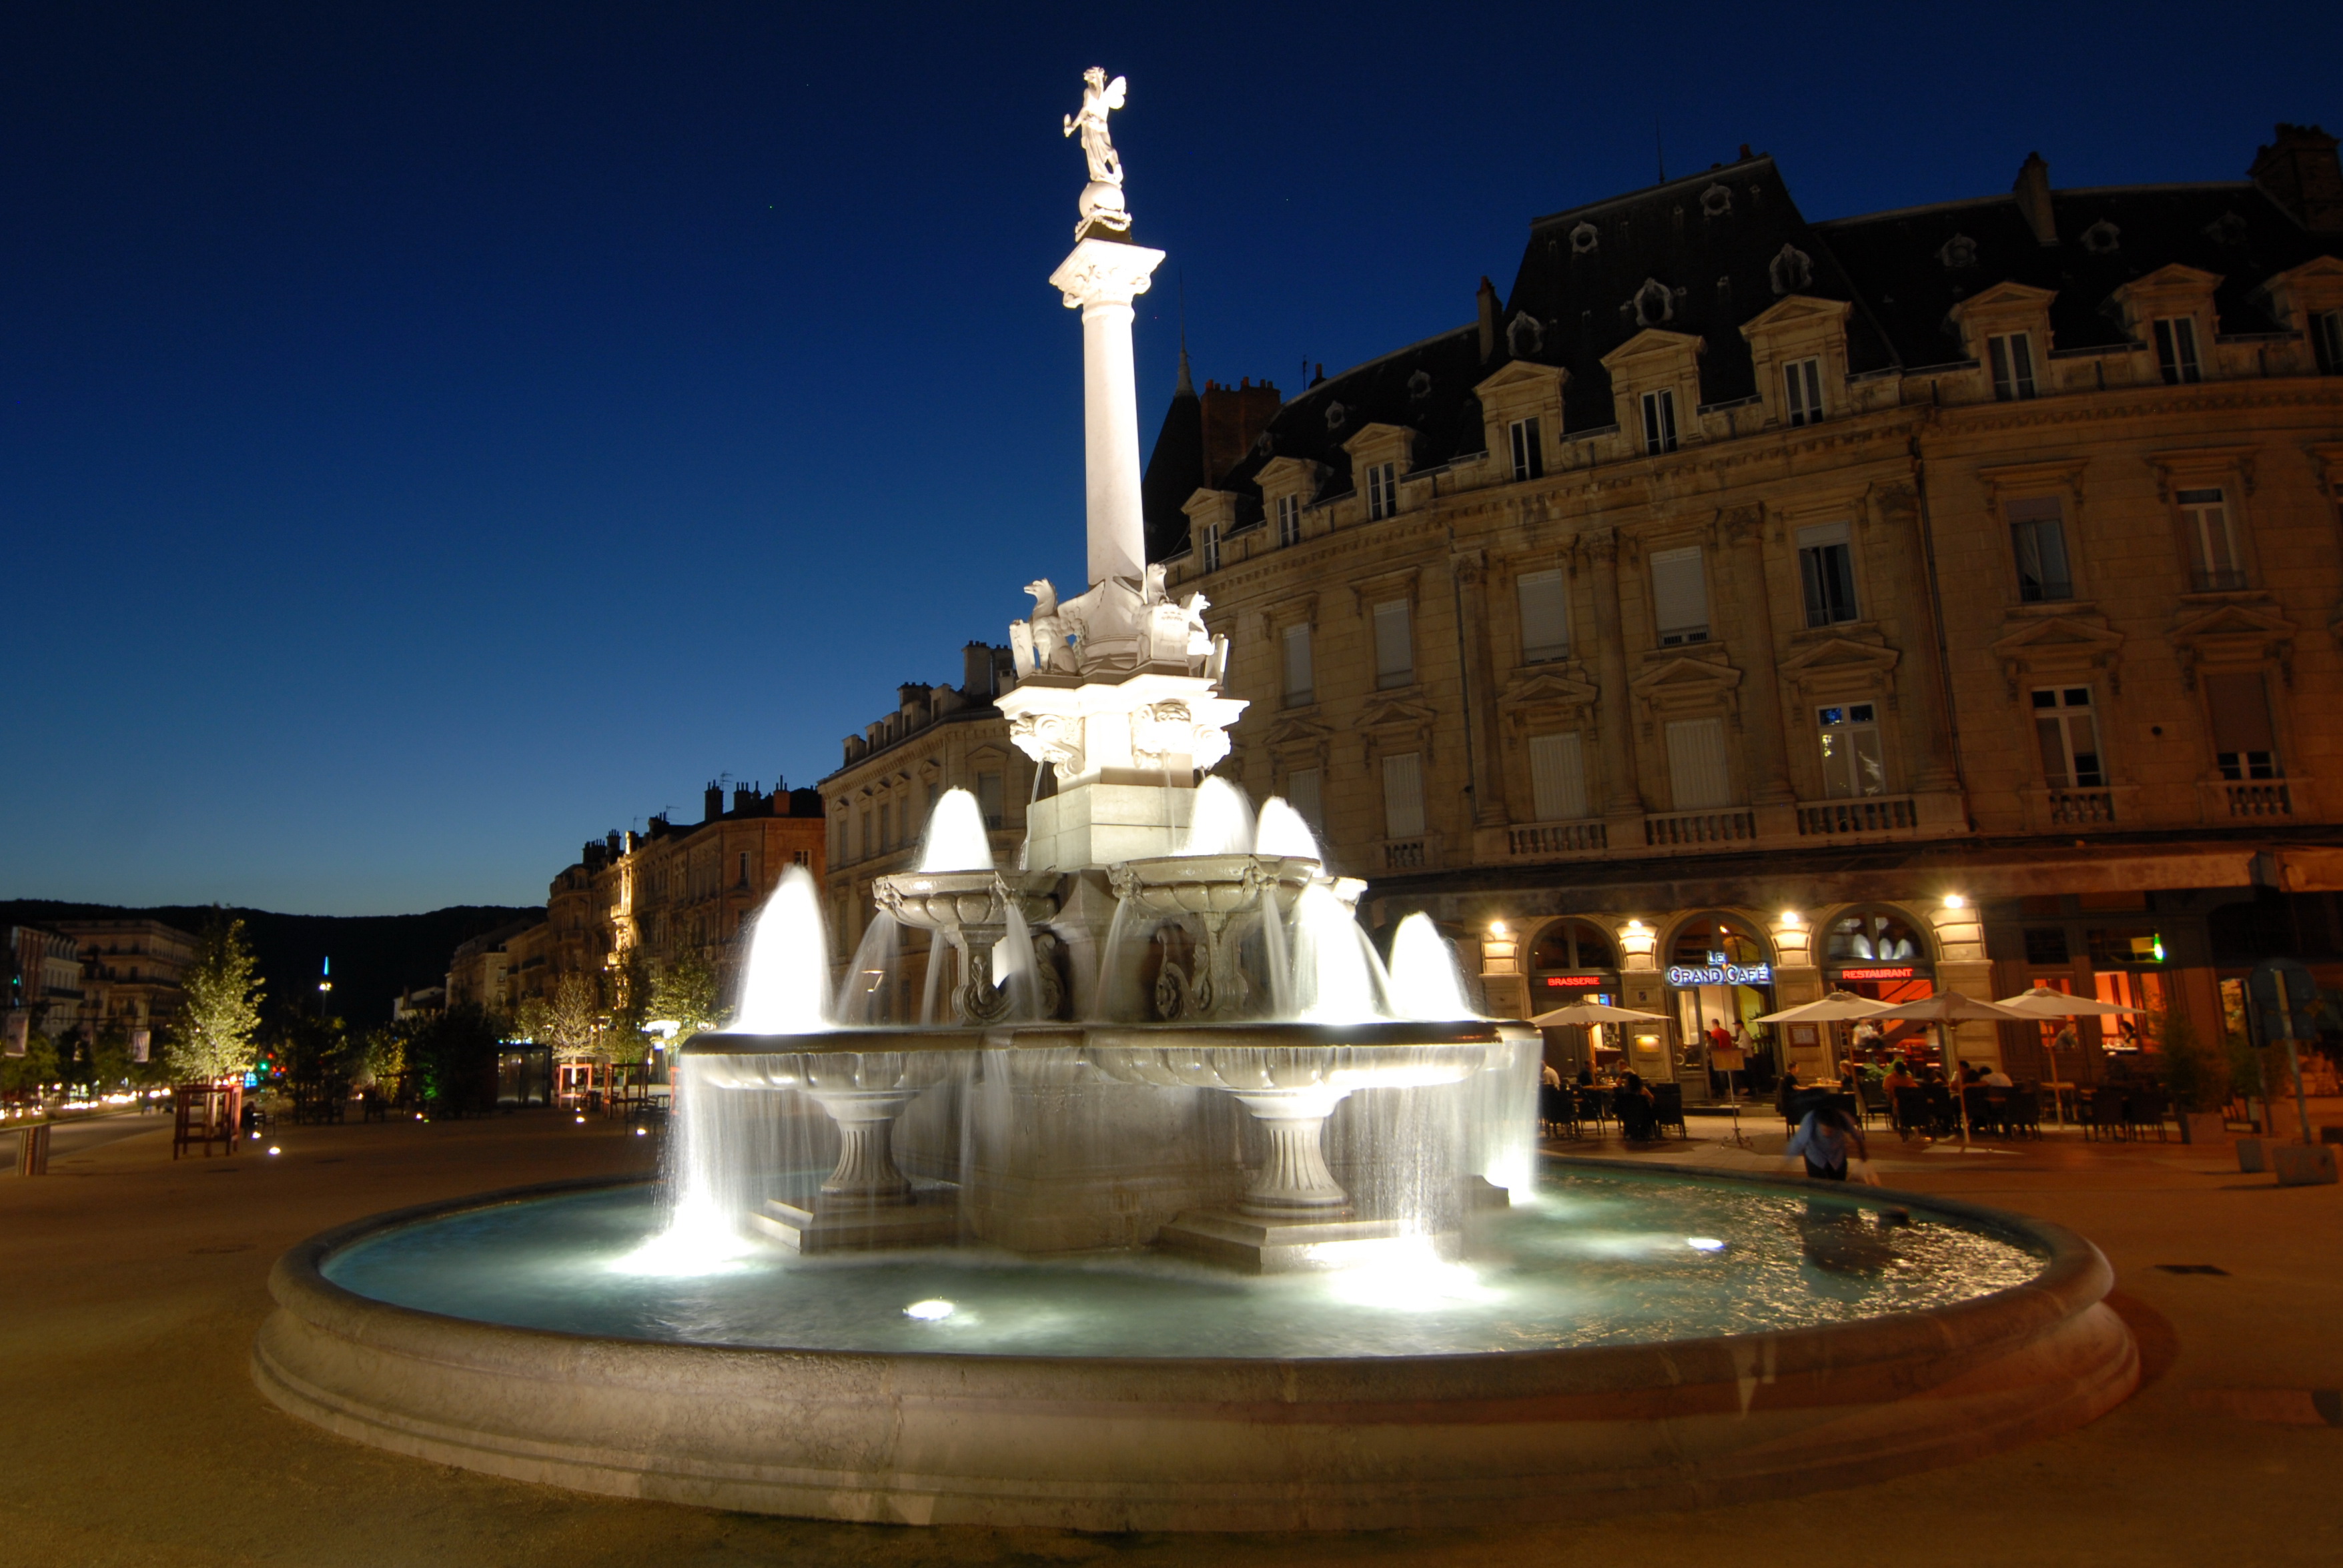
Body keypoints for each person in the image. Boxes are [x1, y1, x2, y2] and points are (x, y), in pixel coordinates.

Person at [1787, 1103, 1869, 1181]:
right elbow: (1798, 1142)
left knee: (1839, 1185)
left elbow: (1856, 1135)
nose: (1828, 1134)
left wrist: (1862, 1152)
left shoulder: (1843, 1118)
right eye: (1825, 1130)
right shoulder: (1811, 1119)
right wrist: (1788, 1160)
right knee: (1818, 1186)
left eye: (1831, 1131)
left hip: (1837, 1156)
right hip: (1815, 1155)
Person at [1615, 1070, 1658, 1140]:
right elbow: (1653, 1100)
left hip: (1629, 1116)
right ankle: (1649, 1133)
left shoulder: (1626, 1092)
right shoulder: (1644, 1090)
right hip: (1644, 1116)